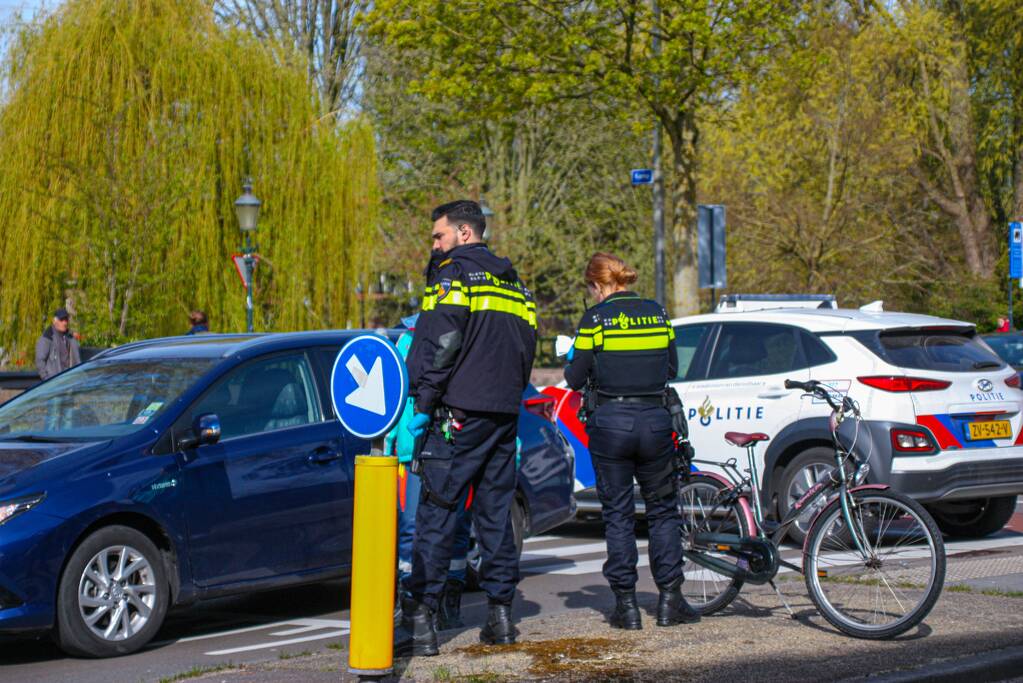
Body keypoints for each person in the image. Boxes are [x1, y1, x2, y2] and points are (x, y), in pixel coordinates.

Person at [397, 199, 537, 656]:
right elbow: (527, 346)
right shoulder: (514, 284)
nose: (434, 245)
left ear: (463, 232)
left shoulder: (453, 275)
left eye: (438, 236)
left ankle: (421, 621)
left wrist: (425, 402)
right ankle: (500, 617)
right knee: (494, 516)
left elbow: (441, 341)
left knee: (437, 514)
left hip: (456, 415)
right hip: (502, 414)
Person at [564, 252, 699, 630]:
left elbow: (575, 378)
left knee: (618, 516)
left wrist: (576, 356)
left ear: (597, 285)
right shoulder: (657, 313)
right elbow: (672, 367)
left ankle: (626, 607)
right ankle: (671, 600)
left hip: (610, 424)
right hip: (656, 421)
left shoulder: (595, 319)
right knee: (662, 512)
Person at [385, 314, 473, 631]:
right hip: (411, 453)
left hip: (450, 449)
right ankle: (409, 603)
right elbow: (394, 398)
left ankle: (449, 602)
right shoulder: (407, 340)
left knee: (457, 528)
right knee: (411, 529)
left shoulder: (462, 336)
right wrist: (390, 443)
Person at [35, 307, 81, 381]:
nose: (64, 323)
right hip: (55, 383)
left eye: (66, 320)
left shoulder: (70, 337)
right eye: (61, 320)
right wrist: (46, 379)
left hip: (71, 381)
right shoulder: (47, 337)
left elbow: (77, 360)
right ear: (54, 321)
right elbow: (40, 361)